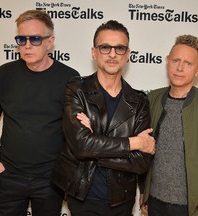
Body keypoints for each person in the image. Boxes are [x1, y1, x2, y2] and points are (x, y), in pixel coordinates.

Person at [0, 10, 79, 216]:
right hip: (9, 177)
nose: (27, 45)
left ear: (50, 42)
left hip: (50, 179)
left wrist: (67, 175)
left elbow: (75, 133)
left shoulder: (70, 78)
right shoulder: (5, 74)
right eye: (22, 39)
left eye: (35, 39)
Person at [51, 20, 155, 216]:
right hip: (82, 196)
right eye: (105, 47)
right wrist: (134, 143)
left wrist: (94, 146)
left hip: (121, 201)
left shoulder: (139, 101)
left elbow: (141, 162)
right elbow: (81, 146)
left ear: (128, 55)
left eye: (120, 48)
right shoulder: (77, 90)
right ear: (94, 52)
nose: (113, 54)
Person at [141, 34, 198, 216]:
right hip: (156, 203)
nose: (179, 68)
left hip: (194, 209)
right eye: (176, 60)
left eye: (188, 63)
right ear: (167, 61)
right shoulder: (151, 99)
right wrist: (145, 193)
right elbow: (145, 152)